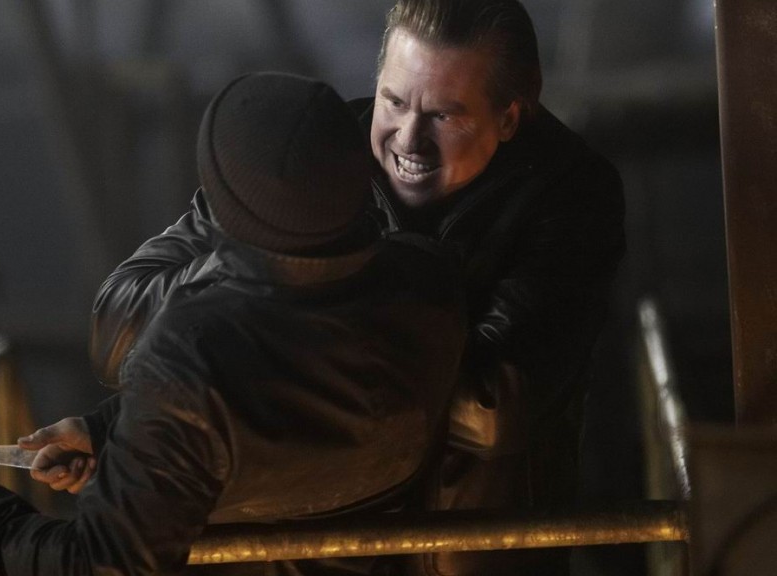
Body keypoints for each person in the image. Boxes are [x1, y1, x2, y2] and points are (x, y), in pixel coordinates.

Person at [88, 1, 625, 574]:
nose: (409, 140)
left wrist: (267, 321)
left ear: (511, 117)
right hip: (307, 556)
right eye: (394, 101)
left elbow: (493, 408)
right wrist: (253, 261)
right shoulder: (313, 158)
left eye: (444, 116)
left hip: (465, 556)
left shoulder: (573, 193)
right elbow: (117, 330)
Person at [0, 72, 466, 576]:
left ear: (226, 204)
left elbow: (105, 563)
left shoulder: (192, 344)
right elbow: (290, 401)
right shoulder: (428, 283)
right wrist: (119, 434)